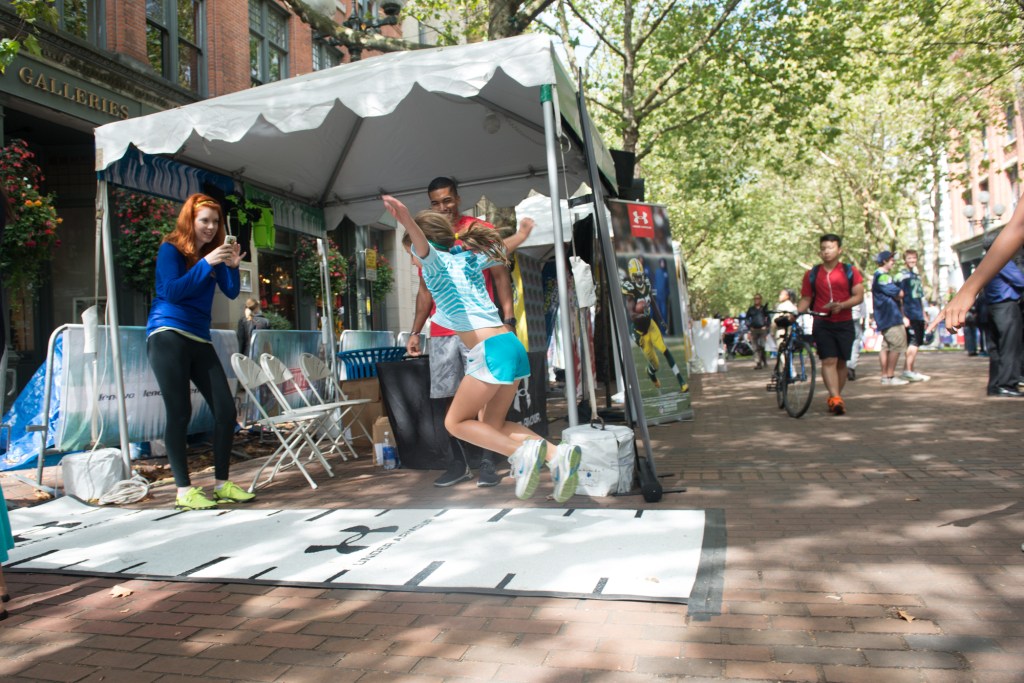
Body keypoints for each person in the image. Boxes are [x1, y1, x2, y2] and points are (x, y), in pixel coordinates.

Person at [383, 194, 581, 503]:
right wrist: (522, 234)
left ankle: (522, 455)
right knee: (494, 425)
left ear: (426, 248)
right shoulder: (467, 258)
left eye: (410, 253)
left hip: (489, 351)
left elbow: (423, 245)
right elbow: (503, 248)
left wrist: (406, 219)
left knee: (456, 422)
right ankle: (557, 456)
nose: (412, 259)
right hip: (509, 346)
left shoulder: (434, 265)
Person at [405, 177, 531, 488]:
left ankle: (494, 460)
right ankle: (463, 463)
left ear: (458, 199)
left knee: (469, 414)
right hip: (458, 334)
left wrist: (510, 317)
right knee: (455, 403)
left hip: (485, 335)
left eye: (446, 200)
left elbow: (501, 274)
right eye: (435, 202)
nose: (442, 206)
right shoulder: (449, 253)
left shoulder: (465, 234)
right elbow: (424, 292)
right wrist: (415, 331)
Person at [146, 193, 254, 510]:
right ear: (190, 220)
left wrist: (232, 266)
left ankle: (222, 484)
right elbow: (170, 291)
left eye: (215, 221)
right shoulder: (172, 248)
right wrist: (206, 263)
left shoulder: (213, 253)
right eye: (204, 220)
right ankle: (184, 490)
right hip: (167, 334)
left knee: (225, 410)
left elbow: (232, 291)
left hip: (199, 338)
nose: (210, 227)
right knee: (180, 412)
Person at [933, 200, 1024, 395]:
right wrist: (967, 290)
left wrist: (969, 290)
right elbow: (1019, 226)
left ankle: (998, 385)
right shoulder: (1003, 263)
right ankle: (1005, 385)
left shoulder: (987, 262)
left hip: (994, 308)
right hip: (1005, 308)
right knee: (1007, 347)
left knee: (998, 349)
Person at [796, 234, 865, 415]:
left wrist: (842, 305)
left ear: (839, 250)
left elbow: (858, 296)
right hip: (822, 322)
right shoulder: (812, 274)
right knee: (829, 360)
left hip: (845, 322)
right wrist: (794, 314)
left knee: (842, 362)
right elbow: (806, 298)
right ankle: (835, 397)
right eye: (823, 248)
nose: (826, 251)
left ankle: (836, 397)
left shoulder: (850, 271)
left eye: (830, 248)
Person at [622, 257, 688, 392]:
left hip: (651, 326)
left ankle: (681, 381)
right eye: (637, 276)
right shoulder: (630, 291)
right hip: (640, 333)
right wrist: (643, 313)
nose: (640, 279)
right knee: (655, 365)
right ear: (632, 276)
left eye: (641, 276)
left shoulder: (646, 284)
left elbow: (652, 301)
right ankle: (650, 373)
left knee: (664, 349)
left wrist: (661, 319)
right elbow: (632, 316)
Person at [872, 251, 910, 386]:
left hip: (885, 316)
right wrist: (900, 293)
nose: (893, 261)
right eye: (891, 259)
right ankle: (890, 375)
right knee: (897, 344)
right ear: (884, 261)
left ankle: (885, 376)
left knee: (886, 346)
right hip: (890, 316)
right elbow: (899, 293)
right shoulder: (883, 277)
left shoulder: (880, 276)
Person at [895, 249, 930, 382]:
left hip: (917, 313)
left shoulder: (916, 276)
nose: (912, 260)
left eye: (914, 258)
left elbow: (919, 297)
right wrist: (903, 315)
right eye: (909, 258)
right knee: (913, 342)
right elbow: (899, 297)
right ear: (905, 259)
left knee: (915, 343)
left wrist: (924, 314)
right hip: (909, 313)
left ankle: (909, 370)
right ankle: (907, 370)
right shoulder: (901, 276)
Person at [746, 294, 770, 369]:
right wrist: (749, 327)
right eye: (755, 299)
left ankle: (764, 359)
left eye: (758, 298)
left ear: (761, 299)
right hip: (754, 329)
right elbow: (747, 319)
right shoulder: (751, 309)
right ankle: (758, 362)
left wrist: (766, 326)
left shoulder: (764, 309)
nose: (757, 300)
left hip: (762, 329)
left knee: (762, 345)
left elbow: (768, 318)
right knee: (755, 347)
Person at [847, 299, 865, 381]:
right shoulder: (857, 291)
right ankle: (850, 367)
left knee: (851, 344)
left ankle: (847, 367)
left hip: (846, 319)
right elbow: (863, 309)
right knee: (855, 345)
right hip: (854, 319)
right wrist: (863, 322)